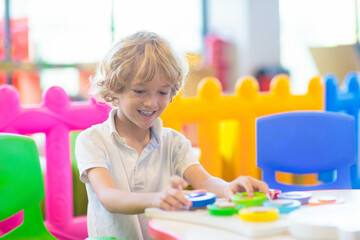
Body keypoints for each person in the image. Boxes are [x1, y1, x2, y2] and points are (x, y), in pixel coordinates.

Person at [75, 31, 269, 240]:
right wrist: (158, 198)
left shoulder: (174, 143)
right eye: (140, 91)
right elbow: (109, 198)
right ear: (115, 89)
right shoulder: (92, 140)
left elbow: (205, 182)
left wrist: (229, 187)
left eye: (162, 92)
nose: (152, 103)